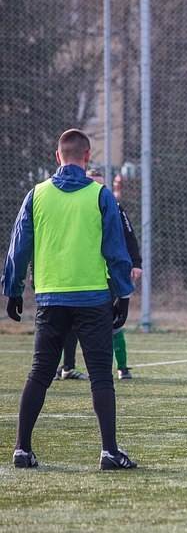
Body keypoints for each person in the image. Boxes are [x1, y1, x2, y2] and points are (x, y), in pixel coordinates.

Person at [3, 128, 137, 470]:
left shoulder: (36, 194)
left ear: (57, 156)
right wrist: (122, 294)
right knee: (101, 376)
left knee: (40, 373)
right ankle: (109, 452)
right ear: (88, 157)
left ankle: (22, 449)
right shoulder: (101, 195)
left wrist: (13, 289)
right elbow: (116, 249)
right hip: (92, 298)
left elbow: (19, 246)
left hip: (50, 298)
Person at [57, 168, 143, 381]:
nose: (97, 188)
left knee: (112, 320)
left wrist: (136, 263)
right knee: (68, 322)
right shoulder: (72, 206)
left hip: (106, 275)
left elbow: (128, 235)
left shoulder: (114, 205)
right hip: (76, 275)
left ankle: (122, 367)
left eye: (101, 185)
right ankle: (66, 367)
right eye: (93, 183)